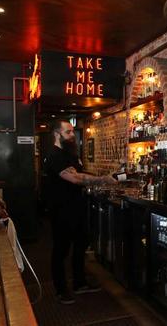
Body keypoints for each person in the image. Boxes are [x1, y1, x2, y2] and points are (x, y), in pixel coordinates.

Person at [43, 119, 116, 304]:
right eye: (68, 132)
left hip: (77, 207)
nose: (72, 135)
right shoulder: (54, 155)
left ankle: (79, 282)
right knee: (61, 250)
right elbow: (75, 179)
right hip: (60, 209)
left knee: (81, 245)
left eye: (72, 131)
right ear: (57, 134)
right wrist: (103, 180)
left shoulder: (71, 154)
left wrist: (90, 178)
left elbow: (81, 174)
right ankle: (60, 289)